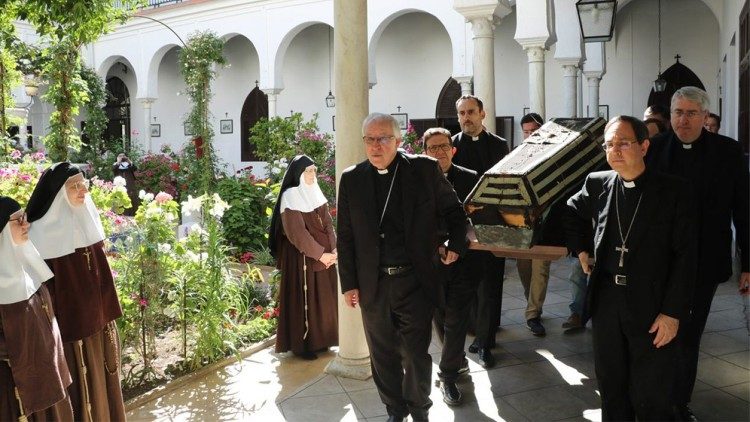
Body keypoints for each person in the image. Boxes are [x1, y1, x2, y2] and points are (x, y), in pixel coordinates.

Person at [338, 113, 467, 422]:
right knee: (382, 356)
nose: (375, 146)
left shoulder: (423, 170)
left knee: (415, 354)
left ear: (397, 141)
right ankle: (395, 411)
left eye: (382, 138)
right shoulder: (352, 178)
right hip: (373, 285)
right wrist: (349, 283)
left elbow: (454, 212)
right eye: (369, 139)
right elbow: (344, 236)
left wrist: (456, 245)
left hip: (415, 281)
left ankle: (419, 409)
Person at [566, 115, 696, 421]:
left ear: (644, 146)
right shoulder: (597, 183)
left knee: (651, 393)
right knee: (611, 386)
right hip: (607, 299)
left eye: (623, 143)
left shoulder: (674, 191)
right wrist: (582, 250)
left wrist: (673, 313)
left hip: (652, 302)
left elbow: (687, 257)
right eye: (609, 144)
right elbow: (571, 212)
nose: (615, 150)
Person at [646, 86, 749, 421]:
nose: (683, 120)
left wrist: (748, 262)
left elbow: (744, 209)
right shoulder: (655, 148)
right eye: (678, 112)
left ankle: (679, 403)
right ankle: (654, 397)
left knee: (688, 335)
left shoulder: (728, 151)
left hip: (704, 262)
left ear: (706, 117)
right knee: (655, 329)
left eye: (691, 113)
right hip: (659, 260)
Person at [26, 162, 126, 421]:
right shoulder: (39, 236)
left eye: (84, 184)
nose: (83, 191)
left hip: (99, 327)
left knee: (102, 388)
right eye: (75, 186)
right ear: (59, 193)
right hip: (69, 336)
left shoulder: (87, 222)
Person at [0, 196, 74, 421]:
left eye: (25, 217)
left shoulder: (27, 267)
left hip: (48, 378)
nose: (27, 224)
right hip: (15, 391)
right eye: (18, 220)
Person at [422, 127, 479, 406]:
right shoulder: (418, 180)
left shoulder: (470, 178)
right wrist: (436, 245)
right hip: (432, 263)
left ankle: (447, 377)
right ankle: (456, 359)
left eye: (444, 146)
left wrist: (455, 245)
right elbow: (417, 222)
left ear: (453, 149)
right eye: (433, 148)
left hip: (463, 261)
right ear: (425, 152)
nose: (439, 152)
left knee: (456, 318)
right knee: (440, 318)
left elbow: (472, 220)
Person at [451, 95, 509, 366]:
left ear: (483, 114)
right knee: (467, 285)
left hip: (491, 225)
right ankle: (476, 334)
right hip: (461, 227)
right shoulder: (451, 145)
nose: (466, 118)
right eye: (462, 113)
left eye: (471, 112)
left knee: (490, 285)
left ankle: (485, 342)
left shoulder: (499, 145)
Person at [269, 154, 338, 360]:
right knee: (306, 299)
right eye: (308, 171)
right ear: (298, 173)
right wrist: (320, 254)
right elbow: (297, 234)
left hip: (325, 257)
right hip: (303, 258)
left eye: (314, 170)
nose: (312, 174)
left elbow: (328, 223)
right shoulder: (290, 196)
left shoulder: (316, 192)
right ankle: (303, 345)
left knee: (324, 299)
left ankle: (323, 340)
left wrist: (334, 250)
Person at [515, 112, 552, 336]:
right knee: (524, 268)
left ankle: (533, 313)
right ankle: (533, 301)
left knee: (540, 269)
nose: (530, 135)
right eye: (526, 131)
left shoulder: (551, 155)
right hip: (521, 224)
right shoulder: (516, 155)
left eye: (534, 131)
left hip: (546, 223)